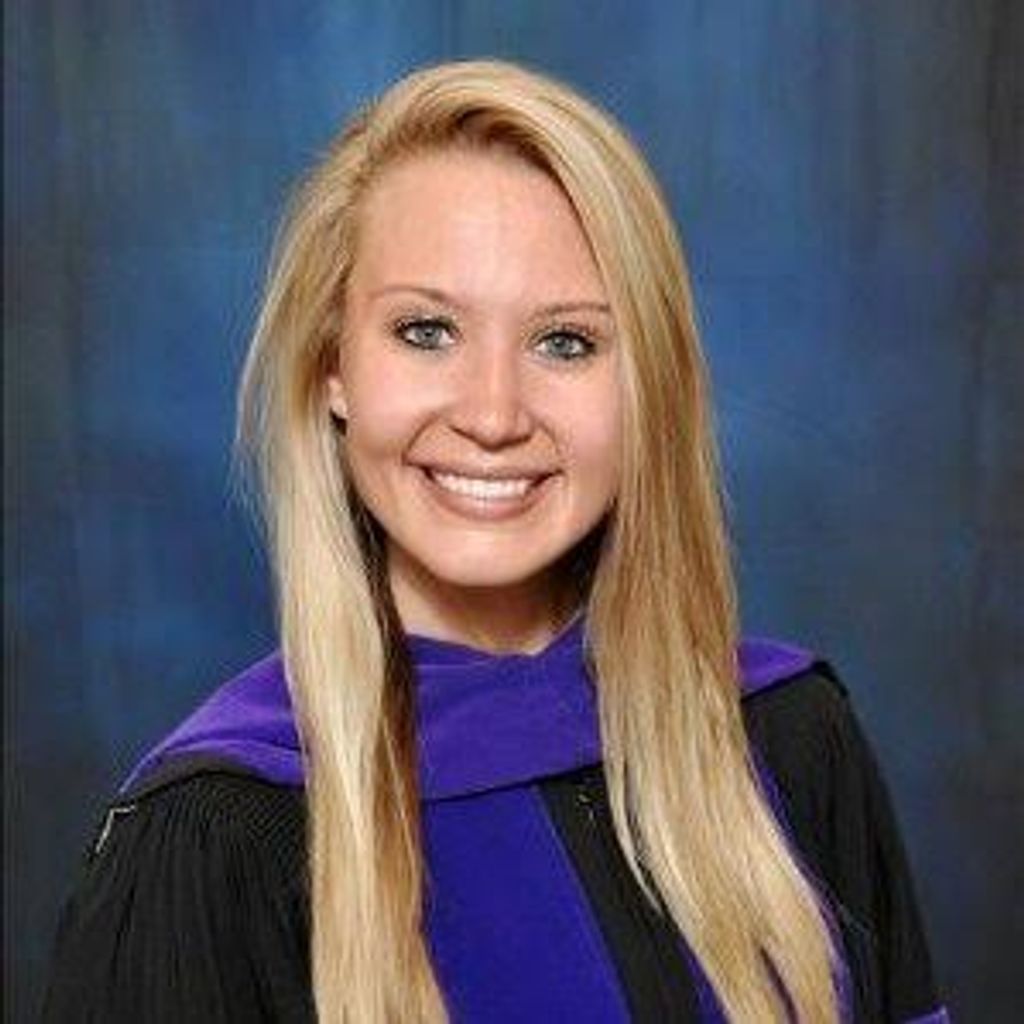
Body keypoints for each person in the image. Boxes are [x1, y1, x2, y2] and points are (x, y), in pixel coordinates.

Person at [42, 59, 948, 1023]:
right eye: (427, 331)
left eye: (566, 342)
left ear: (647, 389)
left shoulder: (791, 742)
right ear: (332, 366)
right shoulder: (216, 838)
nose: (493, 414)